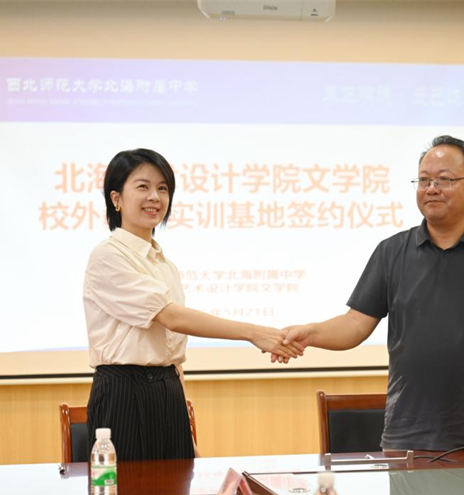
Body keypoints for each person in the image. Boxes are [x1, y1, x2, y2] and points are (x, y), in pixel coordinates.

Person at [278, 136, 464, 451]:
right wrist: (311, 333)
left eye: (444, 179)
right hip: (406, 436)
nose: (432, 188)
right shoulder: (391, 252)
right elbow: (355, 324)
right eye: (424, 180)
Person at [84, 148, 302, 461]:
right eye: (143, 186)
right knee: (125, 491)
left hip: (168, 391)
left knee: (176, 489)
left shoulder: (164, 265)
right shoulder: (108, 256)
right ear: (116, 198)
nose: (155, 197)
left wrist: (185, 429)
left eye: (163, 188)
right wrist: (254, 333)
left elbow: (172, 356)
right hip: (123, 393)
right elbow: (171, 317)